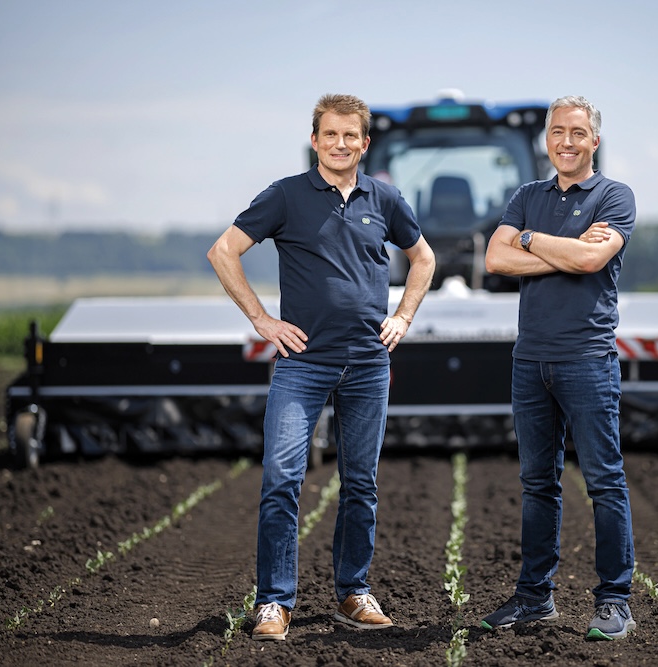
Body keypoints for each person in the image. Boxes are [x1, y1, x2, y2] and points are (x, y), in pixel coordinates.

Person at [207, 93, 436, 641]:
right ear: (315, 140)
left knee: (361, 485)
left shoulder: (385, 198)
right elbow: (223, 251)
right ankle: (273, 602)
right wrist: (262, 319)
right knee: (282, 479)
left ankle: (353, 593)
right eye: (329, 134)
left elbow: (423, 258)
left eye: (350, 135)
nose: (339, 144)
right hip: (302, 364)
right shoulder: (286, 195)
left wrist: (403, 316)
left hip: (368, 364)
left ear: (365, 143)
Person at [481, 95, 637, 640]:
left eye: (577, 133)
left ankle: (615, 601)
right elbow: (495, 259)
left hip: (587, 359)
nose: (566, 142)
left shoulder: (614, 196)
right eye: (557, 132)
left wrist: (529, 240)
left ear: (594, 140)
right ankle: (534, 598)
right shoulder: (528, 195)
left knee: (604, 481)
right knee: (537, 484)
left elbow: (591, 260)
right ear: (546, 139)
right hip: (530, 361)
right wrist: (561, 249)